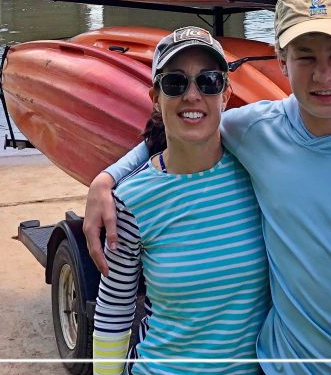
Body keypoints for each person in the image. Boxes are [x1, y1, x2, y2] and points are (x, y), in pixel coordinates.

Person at [86, 0, 331, 375]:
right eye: (304, 57)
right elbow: (186, 130)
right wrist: (108, 178)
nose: (323, 74)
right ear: (281, 62)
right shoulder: (258, 131)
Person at [91, 26, 269, 375]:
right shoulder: (130, 200)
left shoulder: (258, 173)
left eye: (208, 81)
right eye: (175, 83)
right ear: (155, 98)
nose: (192, 95)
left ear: (226, 95)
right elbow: (114, 309)